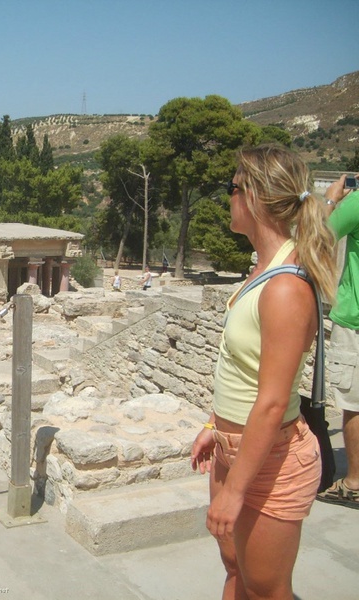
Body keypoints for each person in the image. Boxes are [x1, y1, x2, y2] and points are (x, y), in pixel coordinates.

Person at [190, 144, 336, 599]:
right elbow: (244, 369)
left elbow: (272, 403)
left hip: (271, 461)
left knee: (267, 589)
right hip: (232, 449)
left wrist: (234, 492)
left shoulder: (285, 288)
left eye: (231, 188)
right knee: (236, 568)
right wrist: (215, 425)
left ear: (252, 196)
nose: (227, 197)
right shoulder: (263, 272)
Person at [317, 173, 359, 509]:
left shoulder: (357, 203)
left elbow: (316, 238)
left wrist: (331, 200)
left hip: (355, 320)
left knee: (355, 404)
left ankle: (354, 484)